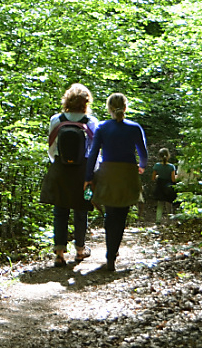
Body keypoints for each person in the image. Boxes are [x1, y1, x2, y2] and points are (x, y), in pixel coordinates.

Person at [84, 93, 147, 272]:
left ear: (109, 108)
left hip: (108, 173)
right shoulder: (134, 128)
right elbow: (143, 154)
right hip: (127, 173)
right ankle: (112, 254)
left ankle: (110, 253)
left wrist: (88, 177)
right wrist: (141, 167)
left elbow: (94, 153)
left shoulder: (102, 127)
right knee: (121, 214)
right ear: (125, 107)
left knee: (110, 213)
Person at [40, 84, 99, 267]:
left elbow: (51, 148)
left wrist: (58, 162)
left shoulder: (56, 119)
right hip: (82, 170)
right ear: (86, 102)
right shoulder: (91, 122)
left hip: (60, 168)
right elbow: (94, 150)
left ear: (66, 100)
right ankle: (80, 250)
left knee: (60, 210)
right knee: (81, 210)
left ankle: (59, 253)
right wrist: (92, 172)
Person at [152, 148, 177, 223]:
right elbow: (173, 180)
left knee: (160, 204)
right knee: (168, 204)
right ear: (168, 156)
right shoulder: (171, 166)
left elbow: (153, 178)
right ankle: (169, 221)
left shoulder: (157, 166)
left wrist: (157, 177)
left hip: (160, 186)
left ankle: (158, 220)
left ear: (159, 156)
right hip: (168, 187)